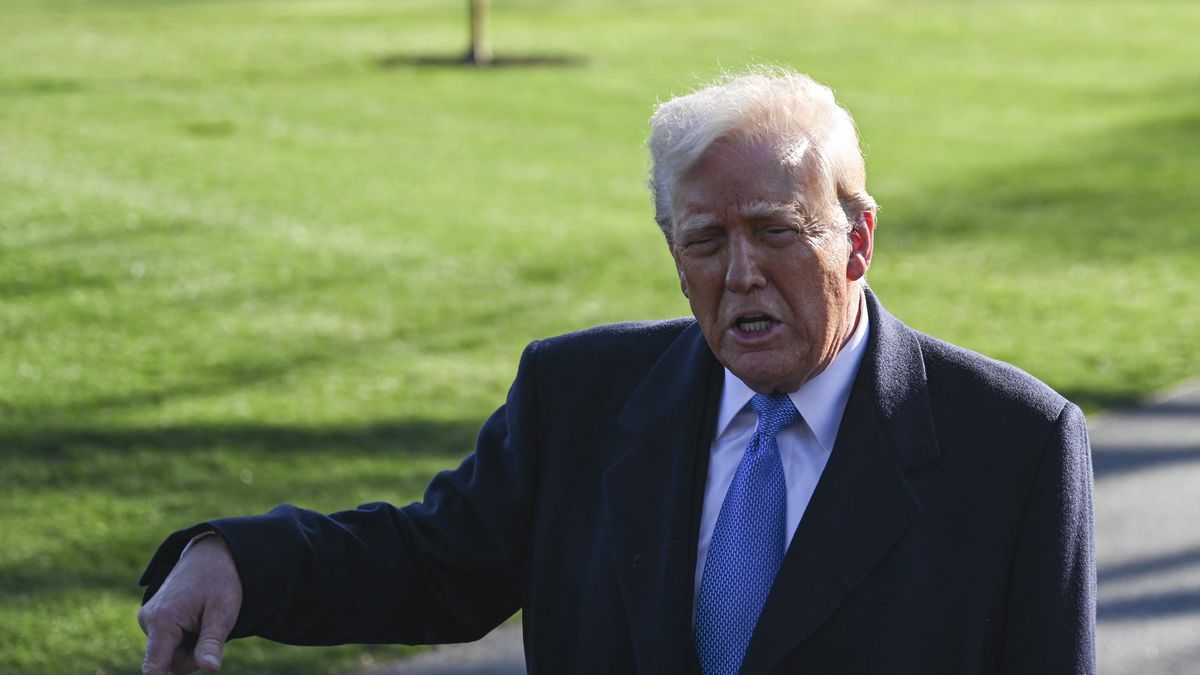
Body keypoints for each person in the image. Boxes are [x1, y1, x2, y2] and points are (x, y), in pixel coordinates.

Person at [138, 69, 1096, 675]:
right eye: (705, 241)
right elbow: (434, 564)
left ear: (858, 240)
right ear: (674, 255)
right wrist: (241, 560)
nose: (741, 273)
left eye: (776, 231)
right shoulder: (579, 398)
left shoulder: (1015, 445)